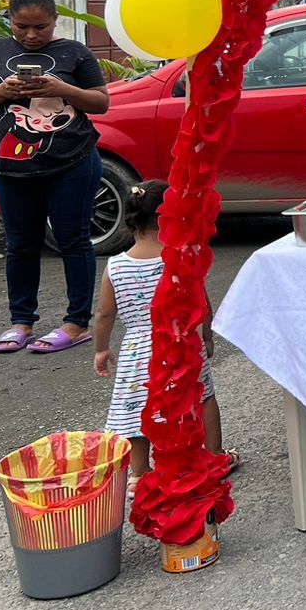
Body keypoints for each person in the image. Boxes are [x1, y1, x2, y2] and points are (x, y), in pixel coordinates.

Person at [0, 0, 109, 354]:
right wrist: (2, 90)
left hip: (72, 164)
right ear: (9, 20)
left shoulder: (75, 52)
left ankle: (77, 323)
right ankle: (21, 322)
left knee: (73, 241)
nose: (30, 35)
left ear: (55, 20)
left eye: (40, 27)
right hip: (12, 167)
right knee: (20, 245)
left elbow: (100, 102)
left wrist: (62, 89)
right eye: (21, 26)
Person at [92, 180, 235, 478]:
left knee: (135, 408)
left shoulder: (115, 267)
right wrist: (206, 336)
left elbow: (105, 314)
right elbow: (201, 302)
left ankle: (140, 473)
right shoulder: (181, 257)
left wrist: (101, 349)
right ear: (171, 217)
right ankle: (214, 457)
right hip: (182, 345)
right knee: (203, 397)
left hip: (137, 352)